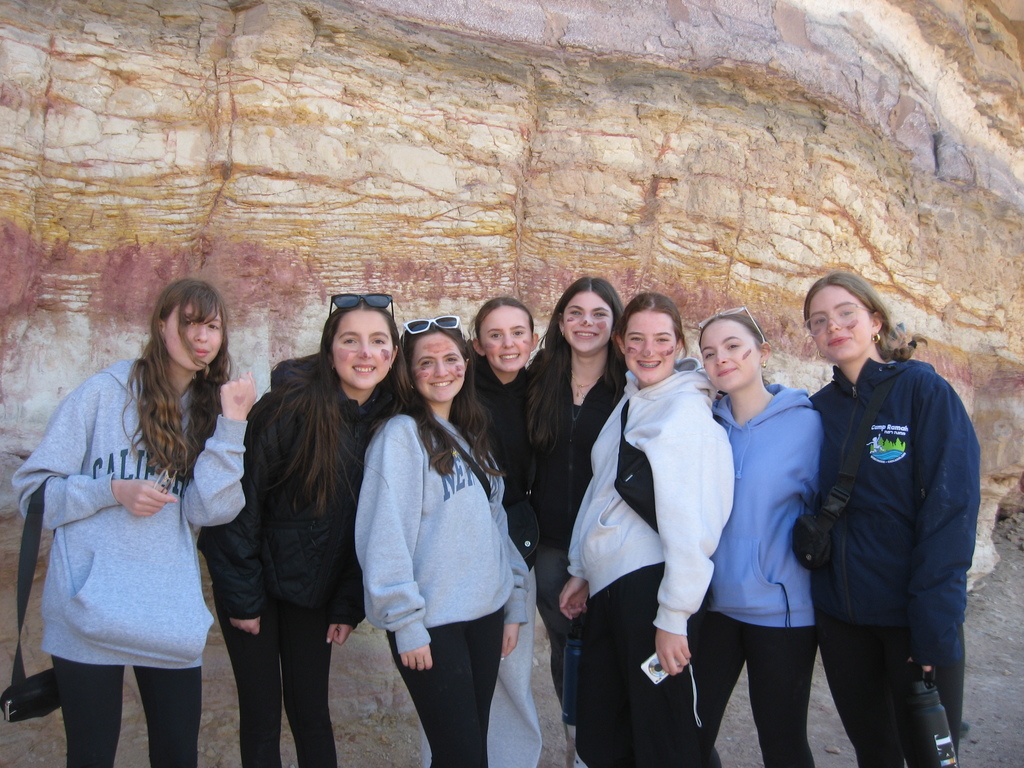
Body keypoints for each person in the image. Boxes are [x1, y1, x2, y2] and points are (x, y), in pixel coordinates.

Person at [11, 278, 257, 768]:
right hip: (88, 611)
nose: (201, 336)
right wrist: (110, 491)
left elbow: (209, 511)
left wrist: (232, 423)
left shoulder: (212, 409)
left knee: (176, 755)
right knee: (90, 755)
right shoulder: (103, 394)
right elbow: (32, 495)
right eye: (188, 322)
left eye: (212, 326)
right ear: (160, 324)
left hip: (166, 616)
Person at [198, 293, 405, 767]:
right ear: (330, 349)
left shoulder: (391, 423)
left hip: (313, 595)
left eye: (378, 342)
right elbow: (236, 511)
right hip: (255, 588)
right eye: (350, 340)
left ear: (392, 355)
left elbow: (370, 528)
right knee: (261, 714)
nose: (365, 353)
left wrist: (347, 603)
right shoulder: (286, 406)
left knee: (311, 713)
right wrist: (244, 600)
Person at [803, 270, 980, 767]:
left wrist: (934, 627)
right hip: (842, 622)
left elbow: (952, 512)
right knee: (875, 753)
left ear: (874, 320)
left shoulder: (922, 390)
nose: (833, 326)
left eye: (845, 314)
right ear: (813, 337)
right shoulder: (816, 411)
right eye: (819, 321)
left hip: (911, 618)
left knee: (930, 756)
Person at [559, 292, 734, 768]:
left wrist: (674, 617)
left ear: (678, 345)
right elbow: (602, 488)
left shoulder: (685, 415)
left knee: (663, 733)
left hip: (652, 592)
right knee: (608, 726)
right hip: (613, 589)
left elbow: (693, 524)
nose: (648, 350)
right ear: (620, 344)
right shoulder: (633, 401)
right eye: (636, 339)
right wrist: (581, 568)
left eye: (661, 339)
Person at [356, 315, 529, 768]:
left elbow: (497, 529)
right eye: (425, 363)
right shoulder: (400, 438)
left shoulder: (472, 435)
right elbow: (384, 538)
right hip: (433, 628)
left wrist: (514, 603)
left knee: (467, 751)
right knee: (462, 756)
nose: (441, 372)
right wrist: (405, 624)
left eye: (451, 359)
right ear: (409, 375)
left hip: (486, 617)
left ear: (466, 364)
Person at [694, 306, 822, 768]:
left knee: (782, 743)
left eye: (733, 347)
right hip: (715, 609)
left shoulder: (809, 423)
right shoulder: (703, 423)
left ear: (762, 352)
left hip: (784, 613)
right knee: (689, 733)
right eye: (709, 353)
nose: (721, 359)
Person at [526, 277, 626, 741]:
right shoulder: (538, 377)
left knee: (613, 647)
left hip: (611, 542)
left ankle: (613, 740)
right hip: (550, 544)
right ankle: (577, 740)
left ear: (615, 322)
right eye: (576, 314)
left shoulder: (632, 385)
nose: (587, 323)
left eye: (599, 314)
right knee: (567, 647)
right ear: (561, 323)